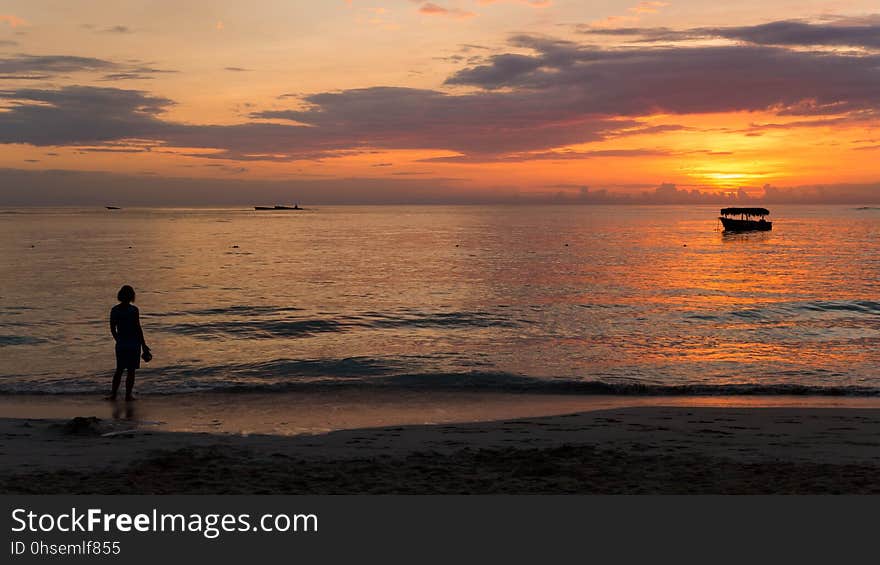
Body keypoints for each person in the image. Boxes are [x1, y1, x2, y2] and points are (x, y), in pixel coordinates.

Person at [108, 285, 150, 401]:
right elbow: (138, 328)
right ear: (132, 296)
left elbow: (112, 329)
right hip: (133, 343)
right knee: (130, 371)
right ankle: (128, 395)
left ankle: (114, 394)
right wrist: (143, 344)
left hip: (124, 343)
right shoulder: (133, 310)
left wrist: (118, 340)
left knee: (120, 369)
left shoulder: (115, 310)